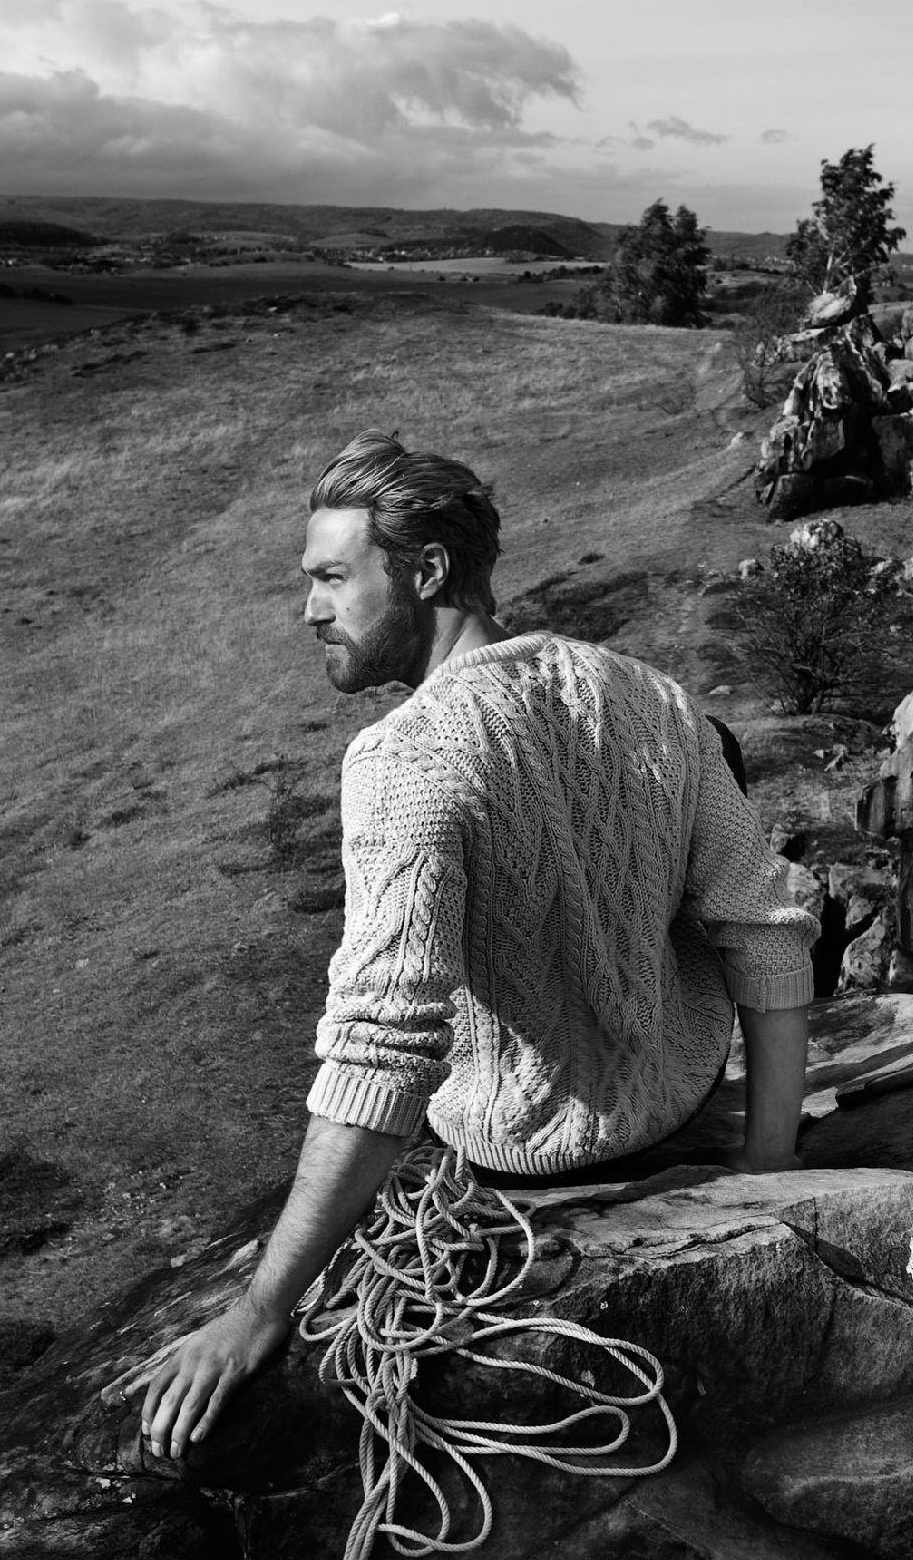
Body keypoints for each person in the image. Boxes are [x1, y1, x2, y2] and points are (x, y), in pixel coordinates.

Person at [142, 432, 817, 1460]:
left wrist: (262, 1308)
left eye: (332, 578)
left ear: (425, 571)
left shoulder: (405, 761)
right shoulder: (652, 695)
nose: (309, 609)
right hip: (678, 1098)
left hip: (519, 1156)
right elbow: (764, 926)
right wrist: (770, 1158)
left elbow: (382, 1051)